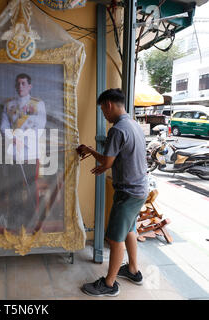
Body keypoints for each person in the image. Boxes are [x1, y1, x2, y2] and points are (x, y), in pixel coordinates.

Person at [77, 88, 148, 297]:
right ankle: (133, 270)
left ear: (108, 105)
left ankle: (109, 284)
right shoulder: (134, 125)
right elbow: (113, 161)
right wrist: (95, 154)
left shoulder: (117, 129)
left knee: (115, 239)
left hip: (128, 192)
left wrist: (92, 154)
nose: (104, 115)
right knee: (129, 230)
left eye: (102, 110)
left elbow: (108, 162)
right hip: (139, 190)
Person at [0, 73, 46, 232]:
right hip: (13, 153)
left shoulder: (38, 104)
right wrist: (13, 138)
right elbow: (3, 126)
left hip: (31, 153)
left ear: (29, 86)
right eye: (18, 83)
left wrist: (22, 138)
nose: (21, 86)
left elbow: (40, 127)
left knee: (32, 188)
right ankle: (14, 221)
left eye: (24, 83)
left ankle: (32, 222)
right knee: (14, 189)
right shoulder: (9, 105)